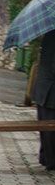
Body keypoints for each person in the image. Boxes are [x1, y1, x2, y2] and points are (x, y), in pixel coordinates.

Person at [33, 30, 55, 170]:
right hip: (50, 91)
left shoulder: (49, 33)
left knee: (45, 127)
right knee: (49, 128)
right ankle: (51, 161)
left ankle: (46, 157)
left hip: (44, 90)